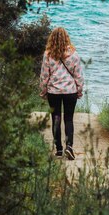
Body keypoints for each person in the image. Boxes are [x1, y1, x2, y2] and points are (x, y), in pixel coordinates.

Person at [39, 27, 85, 160]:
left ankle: (59, 149)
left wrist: (43, 91)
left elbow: (44, 76)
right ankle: (69, 147)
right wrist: (79, 91)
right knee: (69, 119)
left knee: (56, 118)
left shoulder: (48, 54)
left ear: (52, 38)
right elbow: (79, 76)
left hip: (53, 91)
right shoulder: (74, 54)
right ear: (66, 38)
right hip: (70, 91)